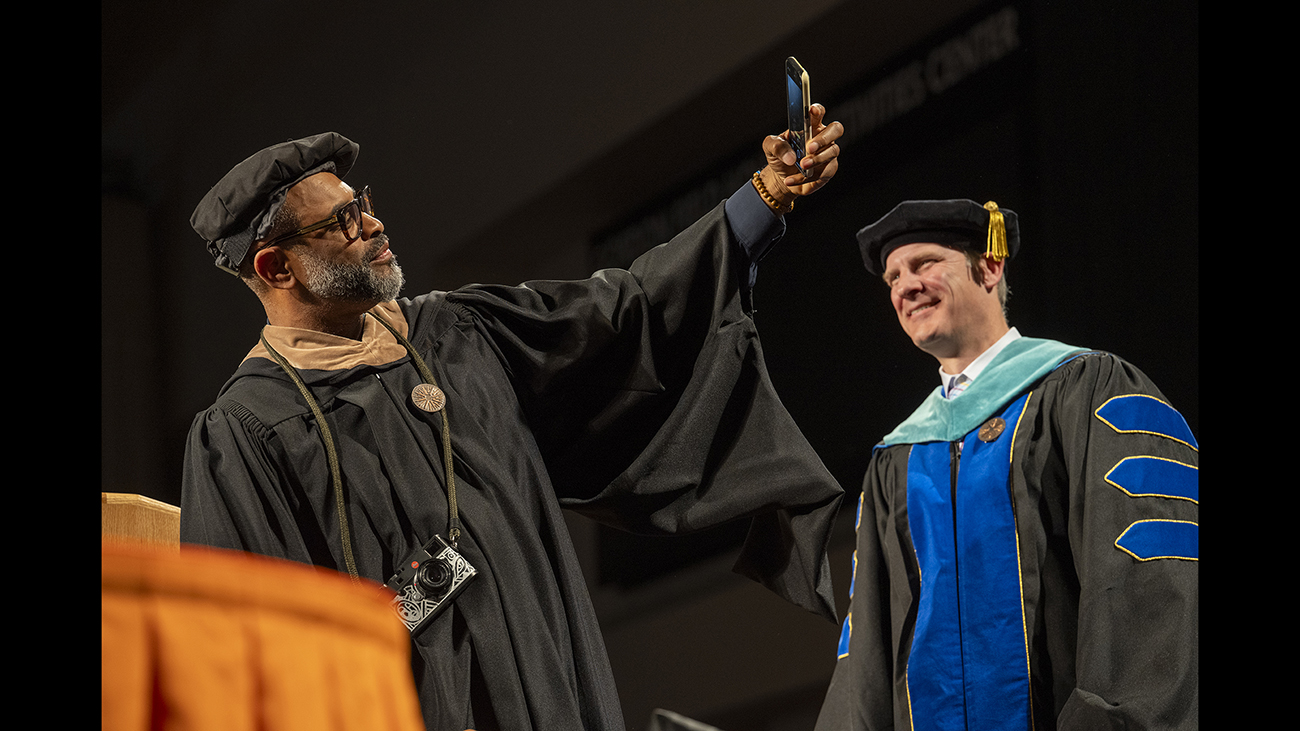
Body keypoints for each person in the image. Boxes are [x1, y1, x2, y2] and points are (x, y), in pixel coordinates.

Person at [182, 108, 846, 731]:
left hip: (554, 691)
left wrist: (762, 199)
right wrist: (416, 600)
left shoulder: (457, 331)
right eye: (345, 220)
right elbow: (254, 660)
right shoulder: (246, 431)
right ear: (276, 266)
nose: (375, 224)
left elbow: (626, 310)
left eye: (366, 204)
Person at [814, 200, 1198, 730]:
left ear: (990, 266)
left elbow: (1149, 586)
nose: (905, 286)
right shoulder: (896, 461)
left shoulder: (1087, 391)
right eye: (893, 277)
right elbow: (867, 659)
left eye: (924, 263)